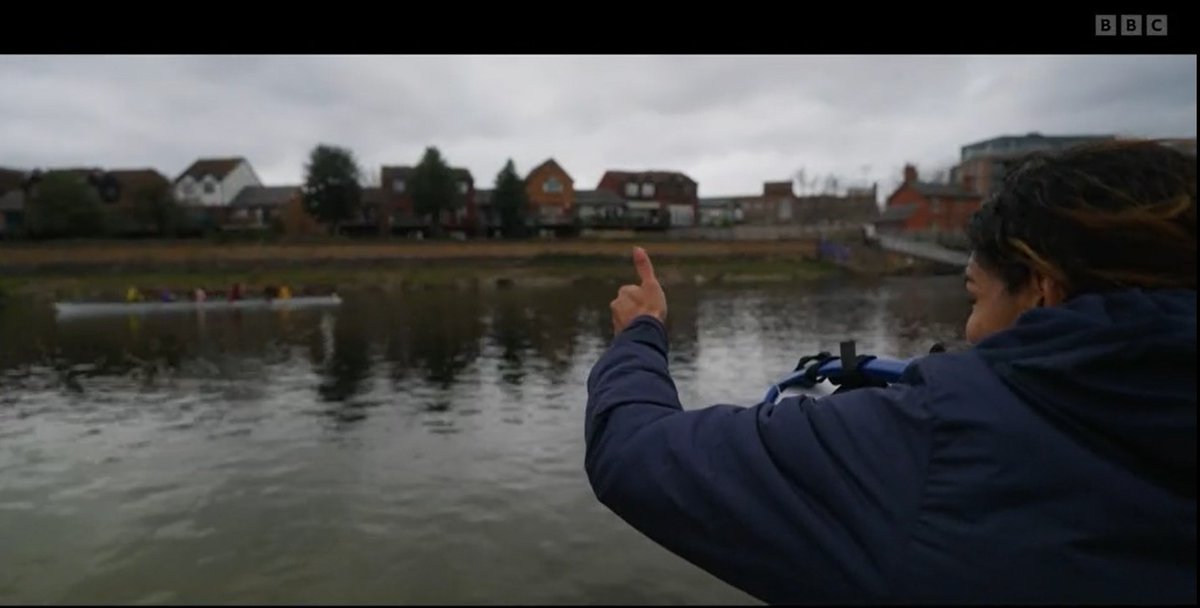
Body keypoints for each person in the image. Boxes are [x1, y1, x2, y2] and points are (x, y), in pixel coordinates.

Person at [584, 141, 1196, 604]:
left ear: (1042, 290)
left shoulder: (937, 443)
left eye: (975, 297)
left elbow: (634, 452)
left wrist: (641, 334)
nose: (968, 332)